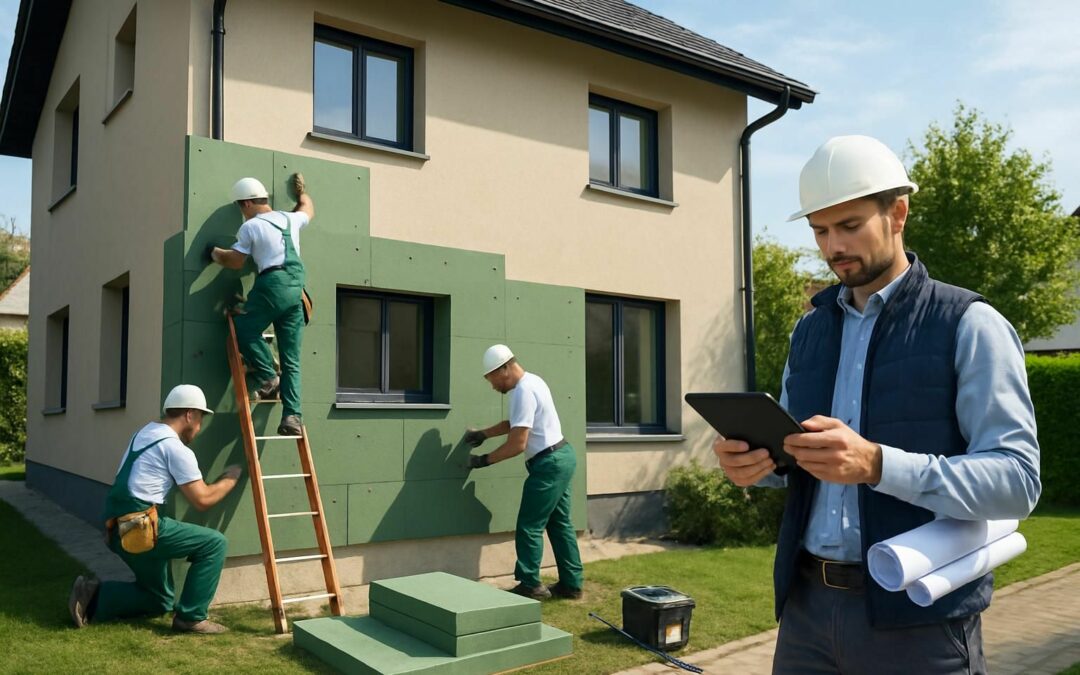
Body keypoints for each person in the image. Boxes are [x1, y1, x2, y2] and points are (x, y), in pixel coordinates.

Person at [713, 135, 1041, 674]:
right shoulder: (810, 331)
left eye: (849, 226)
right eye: (820, 230)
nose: (833, 245)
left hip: (919, 615)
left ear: (898, 214)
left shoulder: (970, 325)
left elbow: (1018, 481)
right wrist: (758, 466)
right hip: (805, 616)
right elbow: (800, 459)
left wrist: (877, 465)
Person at [67, 385, 243, 633]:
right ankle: (191, 618)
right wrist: (231, 478)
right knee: (214, 544)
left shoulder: (144, 433)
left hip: (117, 527)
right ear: (190, 414)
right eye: (201, 418)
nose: (200, 426)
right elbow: (202, 499)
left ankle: (92, 595)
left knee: (159, 599)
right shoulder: (174, 448)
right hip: (140, 528)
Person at [464, 344, 584, 600]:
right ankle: (572, 585)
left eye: (492, 378)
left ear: (505, 368)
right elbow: (516, 423)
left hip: (548, 464)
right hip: (562, 456)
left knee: (529, 525)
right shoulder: (534, 381)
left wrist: (483, 461)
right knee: (560, 523)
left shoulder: (522, 391)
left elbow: (517, 444)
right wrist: (483, 434)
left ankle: (531, 585)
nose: (492, 386)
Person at [208, 173, 314, 436]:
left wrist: (214, 252)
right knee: (291, 359)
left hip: (273, 285)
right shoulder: (291, 218)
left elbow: (235, 261)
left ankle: (268, 377)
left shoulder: (251, 227)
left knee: (244, 327)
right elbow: (307, 208)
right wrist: (301, 193)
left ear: (246, 204)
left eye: (240, 208)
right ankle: (292, 416)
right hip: (297, 291)